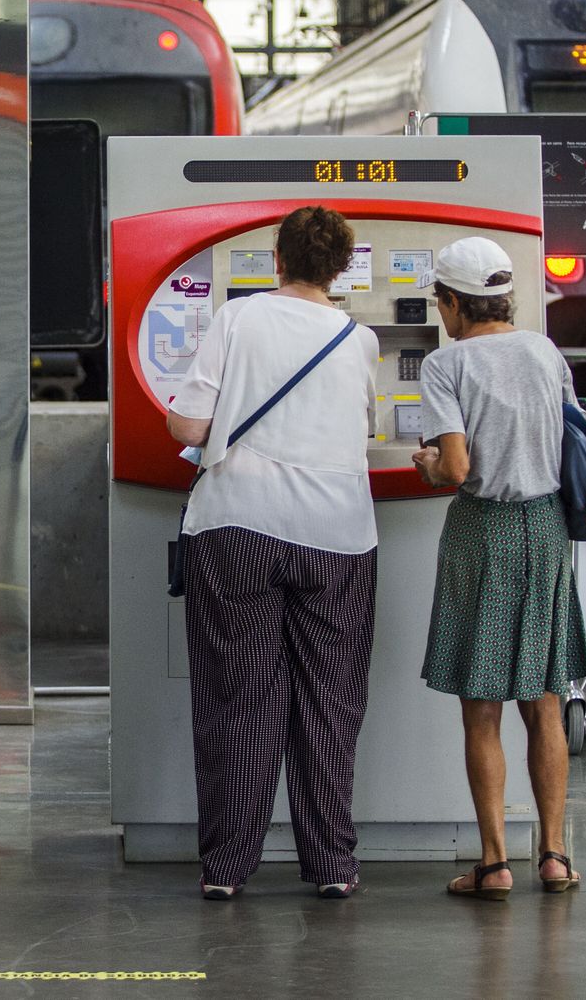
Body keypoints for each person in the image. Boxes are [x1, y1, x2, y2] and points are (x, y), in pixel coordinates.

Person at [166, 205, 380, 900]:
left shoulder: (238, 319)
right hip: (338, 537)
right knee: (329, 701)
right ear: (341, 269)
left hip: (238, 527)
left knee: (241, 698)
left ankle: (226, 869)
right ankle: (332, 866)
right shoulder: (360, 339)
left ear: (277, 259)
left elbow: (191, 422)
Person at [411, 236, 586, 900]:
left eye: (440, 302)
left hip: (483, 531)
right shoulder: (545, 352)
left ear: (454, 302)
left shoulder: (446, 365)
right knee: (543, 700)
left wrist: (429, 465)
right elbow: (570, 436)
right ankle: (554, 854)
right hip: (546, 529)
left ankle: (493, 865)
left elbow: (456, 469)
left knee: (481, 706)